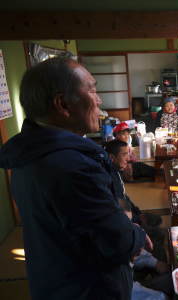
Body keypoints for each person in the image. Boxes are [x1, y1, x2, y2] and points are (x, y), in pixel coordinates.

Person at [0, 57, 151, 300]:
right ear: (63, 104)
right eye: (92, 89)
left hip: (54, 276)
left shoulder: (29, 152)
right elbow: (117, 241)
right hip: (87, 289)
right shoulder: (70, 167)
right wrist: (137, 236)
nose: (99, 99)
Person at [104, 139, 167, 263]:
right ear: (111, 157)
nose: (128, 158)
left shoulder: (116, 172)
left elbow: (125, 198)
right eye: (124, 154)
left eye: (128, 153)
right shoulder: (110, 178)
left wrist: (139, 212)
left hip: (133, 217)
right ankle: (158, 266)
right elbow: (122, 207)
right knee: (159, 236)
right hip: (127, 225)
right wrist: (137, 221)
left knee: (158, 220)